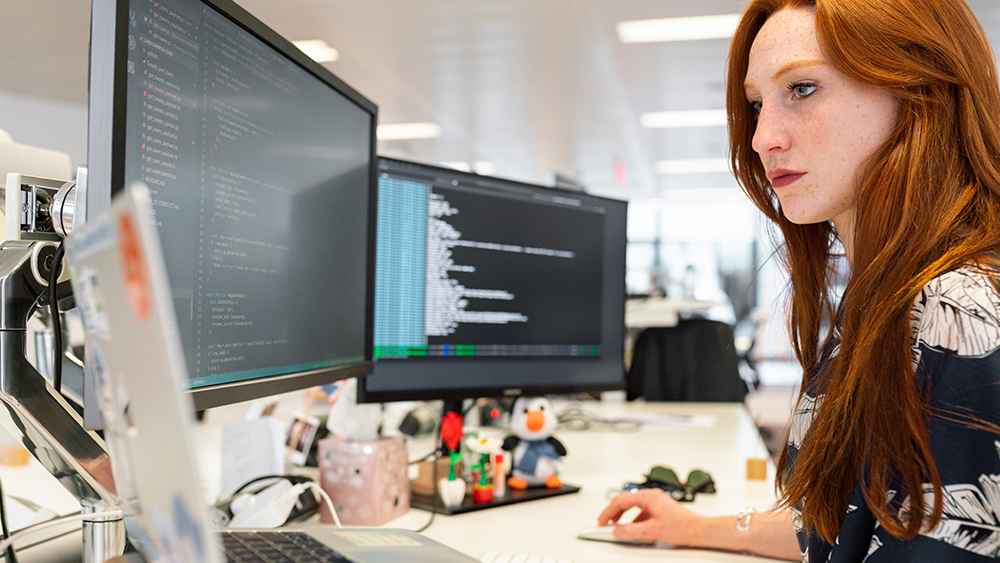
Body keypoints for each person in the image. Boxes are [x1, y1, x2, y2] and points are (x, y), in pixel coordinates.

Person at [598, 0, 1000, 560]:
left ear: (919, 91)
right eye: (757, 104)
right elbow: (845, 527)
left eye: (803, 89)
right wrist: (694, 526)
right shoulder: (887, 301)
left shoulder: (958, 312)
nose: (762, 137)